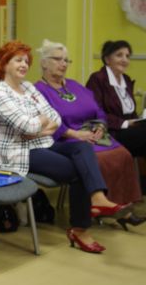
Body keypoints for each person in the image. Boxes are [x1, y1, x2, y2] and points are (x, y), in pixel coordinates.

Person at [0, 41, 128, 253]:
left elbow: (54, 118)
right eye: (18, 60)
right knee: (79, 170)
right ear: (3, 64)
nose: (24, 64)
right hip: (18, 152)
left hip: (43, 143)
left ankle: (98, 198)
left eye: (26, 61)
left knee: (82, 147)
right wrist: (40, 124)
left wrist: (39, 126)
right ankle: (80, 229)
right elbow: (28, 125)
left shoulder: (28, 88)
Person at [35, 40, 143, 227]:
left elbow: (98, 109)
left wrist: (101, 125)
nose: (63, 64)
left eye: (66, 60)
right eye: (58, 59)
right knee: (100, 159)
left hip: (93, 134)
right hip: (66, 139)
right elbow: (45, 122)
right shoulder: (38, 90)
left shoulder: (75, 86)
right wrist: (75, 135)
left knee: (122, 154)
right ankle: (102, 206)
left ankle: (122, 208)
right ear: (44, 63)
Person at [86, 40, 146, 158]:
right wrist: (124, 123)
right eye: (119, 55)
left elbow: (130, 112)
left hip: (129, 130)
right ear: (107, 59)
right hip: (109, 131)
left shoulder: (126, 79)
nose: (125, 60)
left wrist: (139, 121)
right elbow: (94, 112)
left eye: (127, 56)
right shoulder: (97, 78)